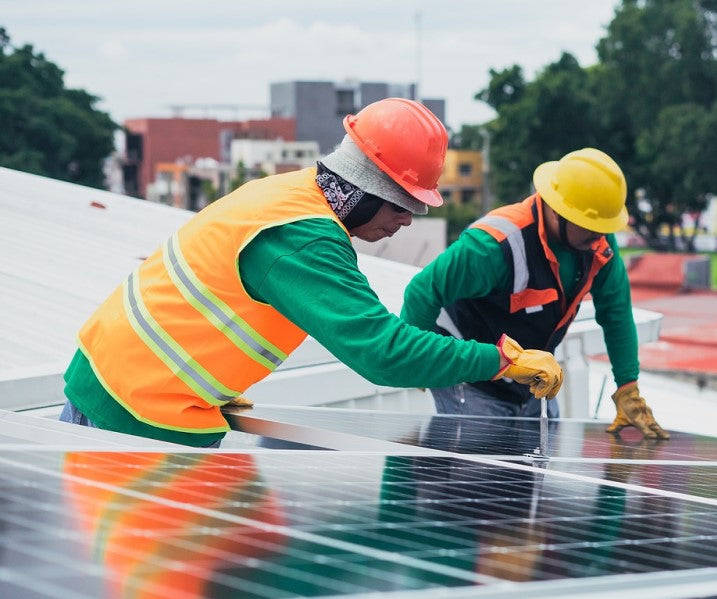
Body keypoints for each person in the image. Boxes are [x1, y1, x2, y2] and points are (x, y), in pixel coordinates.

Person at [59, 98, 562, 447]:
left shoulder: (290, 193)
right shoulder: (303, 239)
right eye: (403, 204)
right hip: (134, 409)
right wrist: (501, 360)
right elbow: (382, 353)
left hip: (127, 384)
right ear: (367, 187)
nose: (408, 220)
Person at [400, 147, 667, 439]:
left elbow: (616, 314)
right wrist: (417, 363)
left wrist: (628, 387)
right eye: (591, 226)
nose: (599, 236)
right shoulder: (494, 245)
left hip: (533, 380)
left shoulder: (598, 246)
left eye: (603, 227)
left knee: (536, 459)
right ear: (557, 211)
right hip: (472, 380)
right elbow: (422, 291)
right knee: (479, 460)